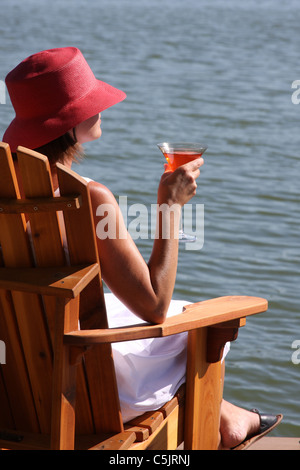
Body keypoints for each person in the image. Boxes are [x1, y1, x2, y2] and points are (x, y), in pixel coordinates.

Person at [2, 47, 281, 449]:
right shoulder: (90, 198)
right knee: (192, 323)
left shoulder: (7, 194)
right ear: (72, 122)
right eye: (91, 103)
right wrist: (169, 207)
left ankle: (230, 416)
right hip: (84, 387)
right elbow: (152, 304)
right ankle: (221, 425)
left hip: (17, 380)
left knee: (151, 307)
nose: (101, 111)